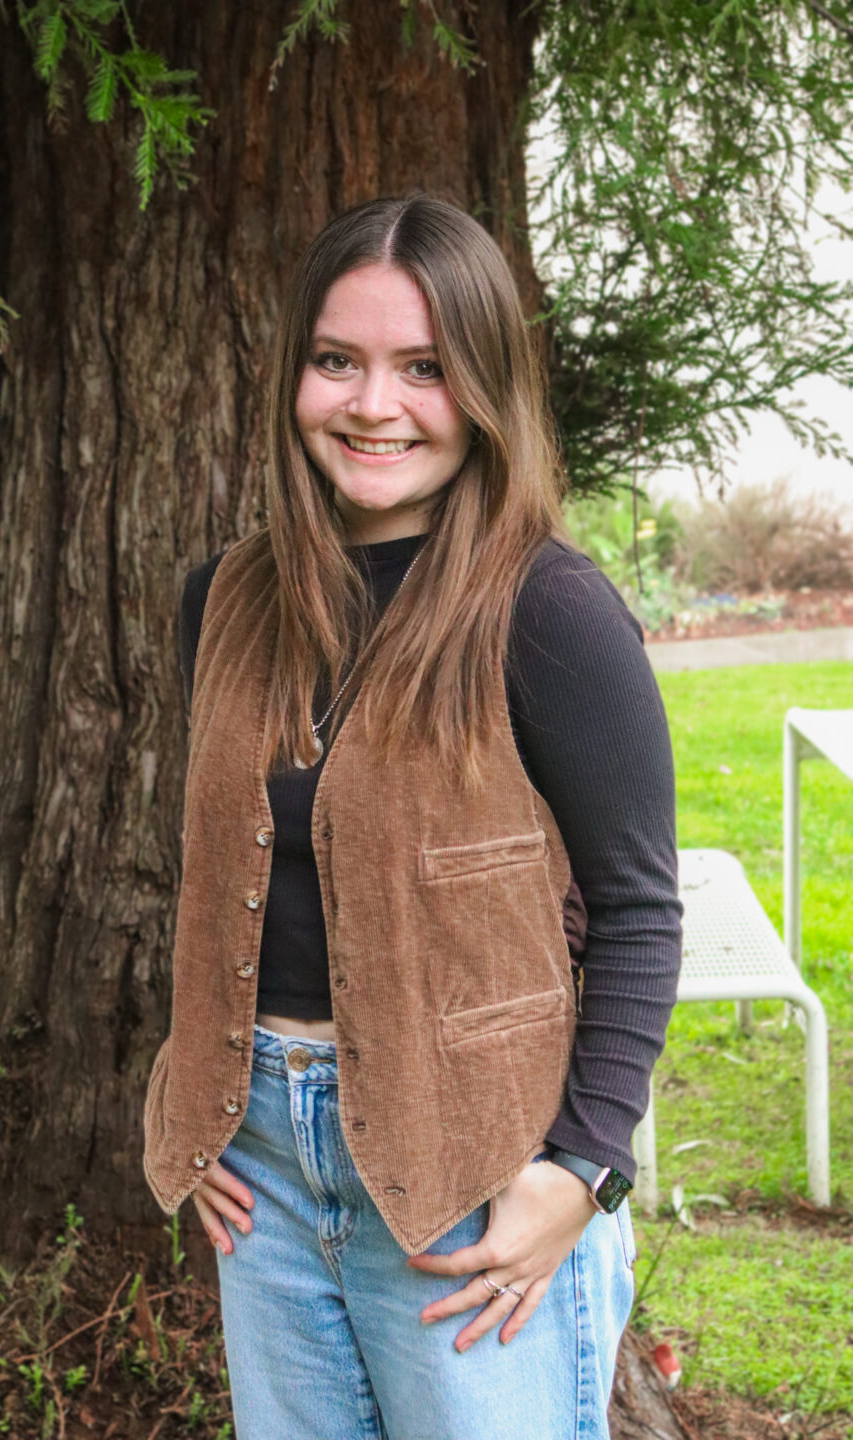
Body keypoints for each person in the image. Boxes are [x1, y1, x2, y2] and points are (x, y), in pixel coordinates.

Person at [144, 192, 683, 1440]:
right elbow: (227, 874)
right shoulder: (222, 601)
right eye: (337, 360)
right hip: (261, 1167)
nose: (373, 404)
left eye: (424, 368)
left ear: (484, 386)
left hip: (473, 1170)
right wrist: (192, 1106)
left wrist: (583, 1170)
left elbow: (640, 912)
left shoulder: (547, 610)